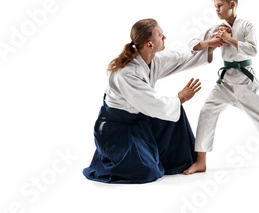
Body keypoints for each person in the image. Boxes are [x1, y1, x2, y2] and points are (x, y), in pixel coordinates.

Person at [83, 18, 224, 184]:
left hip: (138, 119)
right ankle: (119, 157)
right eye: (160, 35)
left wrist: (208, 45)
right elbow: (152, 104)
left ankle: (167, 157)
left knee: (175, 113)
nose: (164, 37)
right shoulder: (127, 72)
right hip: (116, 129)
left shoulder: (152, 60)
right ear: (149, 44)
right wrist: (180, 98)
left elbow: (182, 58)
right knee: (146, 171)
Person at [184, 0, 259, 175]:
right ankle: (201, 161)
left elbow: (253, 50)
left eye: (220, 6)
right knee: (206, 112)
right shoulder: (216, 28)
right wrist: (209, 43)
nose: (217, 10)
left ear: (232, 5)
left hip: (246, 81)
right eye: (215, 7)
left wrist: (230, 40)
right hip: (225, 83)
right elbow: (192, 44)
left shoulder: (247, 25)